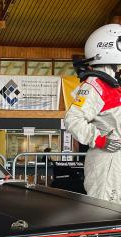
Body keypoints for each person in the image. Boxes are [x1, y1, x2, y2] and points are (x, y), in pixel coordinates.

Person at [65, 24, 121, 203]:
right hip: (108, 160)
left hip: (115, 159)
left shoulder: (113, 84)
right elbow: (73, 119)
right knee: (105, 212)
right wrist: (100, 140)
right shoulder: (95, 84)